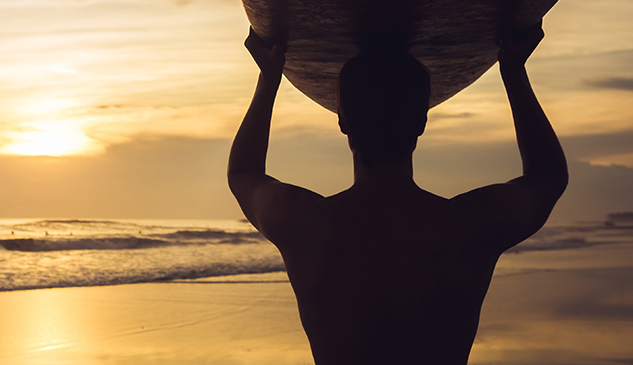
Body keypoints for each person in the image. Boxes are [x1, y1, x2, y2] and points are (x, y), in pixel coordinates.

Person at [227, 24, 568, 365]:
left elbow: (244, 172)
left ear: (343, 121)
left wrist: (269, 77)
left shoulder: (302, 222)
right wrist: (513, 72)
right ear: (422, 121)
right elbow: (547, 176)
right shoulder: (470, 224)